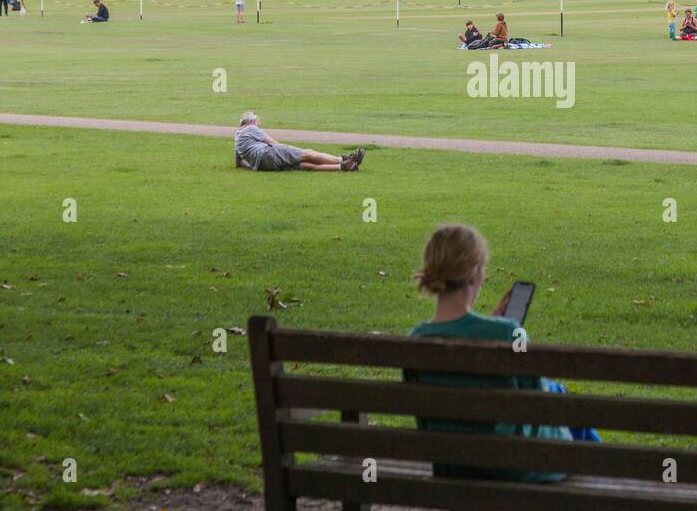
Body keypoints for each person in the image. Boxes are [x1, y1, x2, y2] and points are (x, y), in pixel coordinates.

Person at [406, 224, 590, 482]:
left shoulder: (417, 341)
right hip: (513, 466)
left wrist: (490, 325)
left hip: (452, 466)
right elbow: (540, 405)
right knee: (567, 408)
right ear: (474, 274)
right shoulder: (508, 334)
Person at [233, 111, 364, 170]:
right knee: (307, 153)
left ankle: (341, 167)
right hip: (268, 153)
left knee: (303, 165)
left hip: (263, 165)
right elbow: (272, 142)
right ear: (251, 121)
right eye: (257, 122)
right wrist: (284, 150)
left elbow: (238, 164)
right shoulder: (251, 128)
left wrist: (253, 165)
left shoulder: (238, 137)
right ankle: (343, 159)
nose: (258, 124)